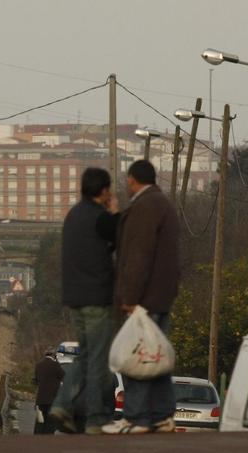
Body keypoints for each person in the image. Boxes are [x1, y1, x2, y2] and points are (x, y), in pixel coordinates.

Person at [103, 160, 181, 435]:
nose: (126, 185)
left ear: (133, 180)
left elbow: (138, 255)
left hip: (143, 299)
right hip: (161, 295)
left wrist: (130, 297)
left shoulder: (145, 207)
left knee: (136, 356)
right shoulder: (163, 205)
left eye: (127, 180)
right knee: (156, 357)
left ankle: (136, 417)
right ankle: (162, 415)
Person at [49, 167, 119, 434]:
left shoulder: (72, 216)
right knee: (97, 360)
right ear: (103, 191)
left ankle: (62, 404)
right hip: (96, 298)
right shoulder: (101, 218)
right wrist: (114, 212)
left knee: (85, 356)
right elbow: (118, 237)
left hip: (74, 297)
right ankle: (95, 418)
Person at [34, 351, 64, 434]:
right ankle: (48, 437)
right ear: (53, 356)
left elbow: (36, 380)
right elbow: (63, 376)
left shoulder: (38, 365)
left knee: (40, 420)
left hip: (40, 398)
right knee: (50, 421)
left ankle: (38, 436)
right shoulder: (55, 365)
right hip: (52, 398)